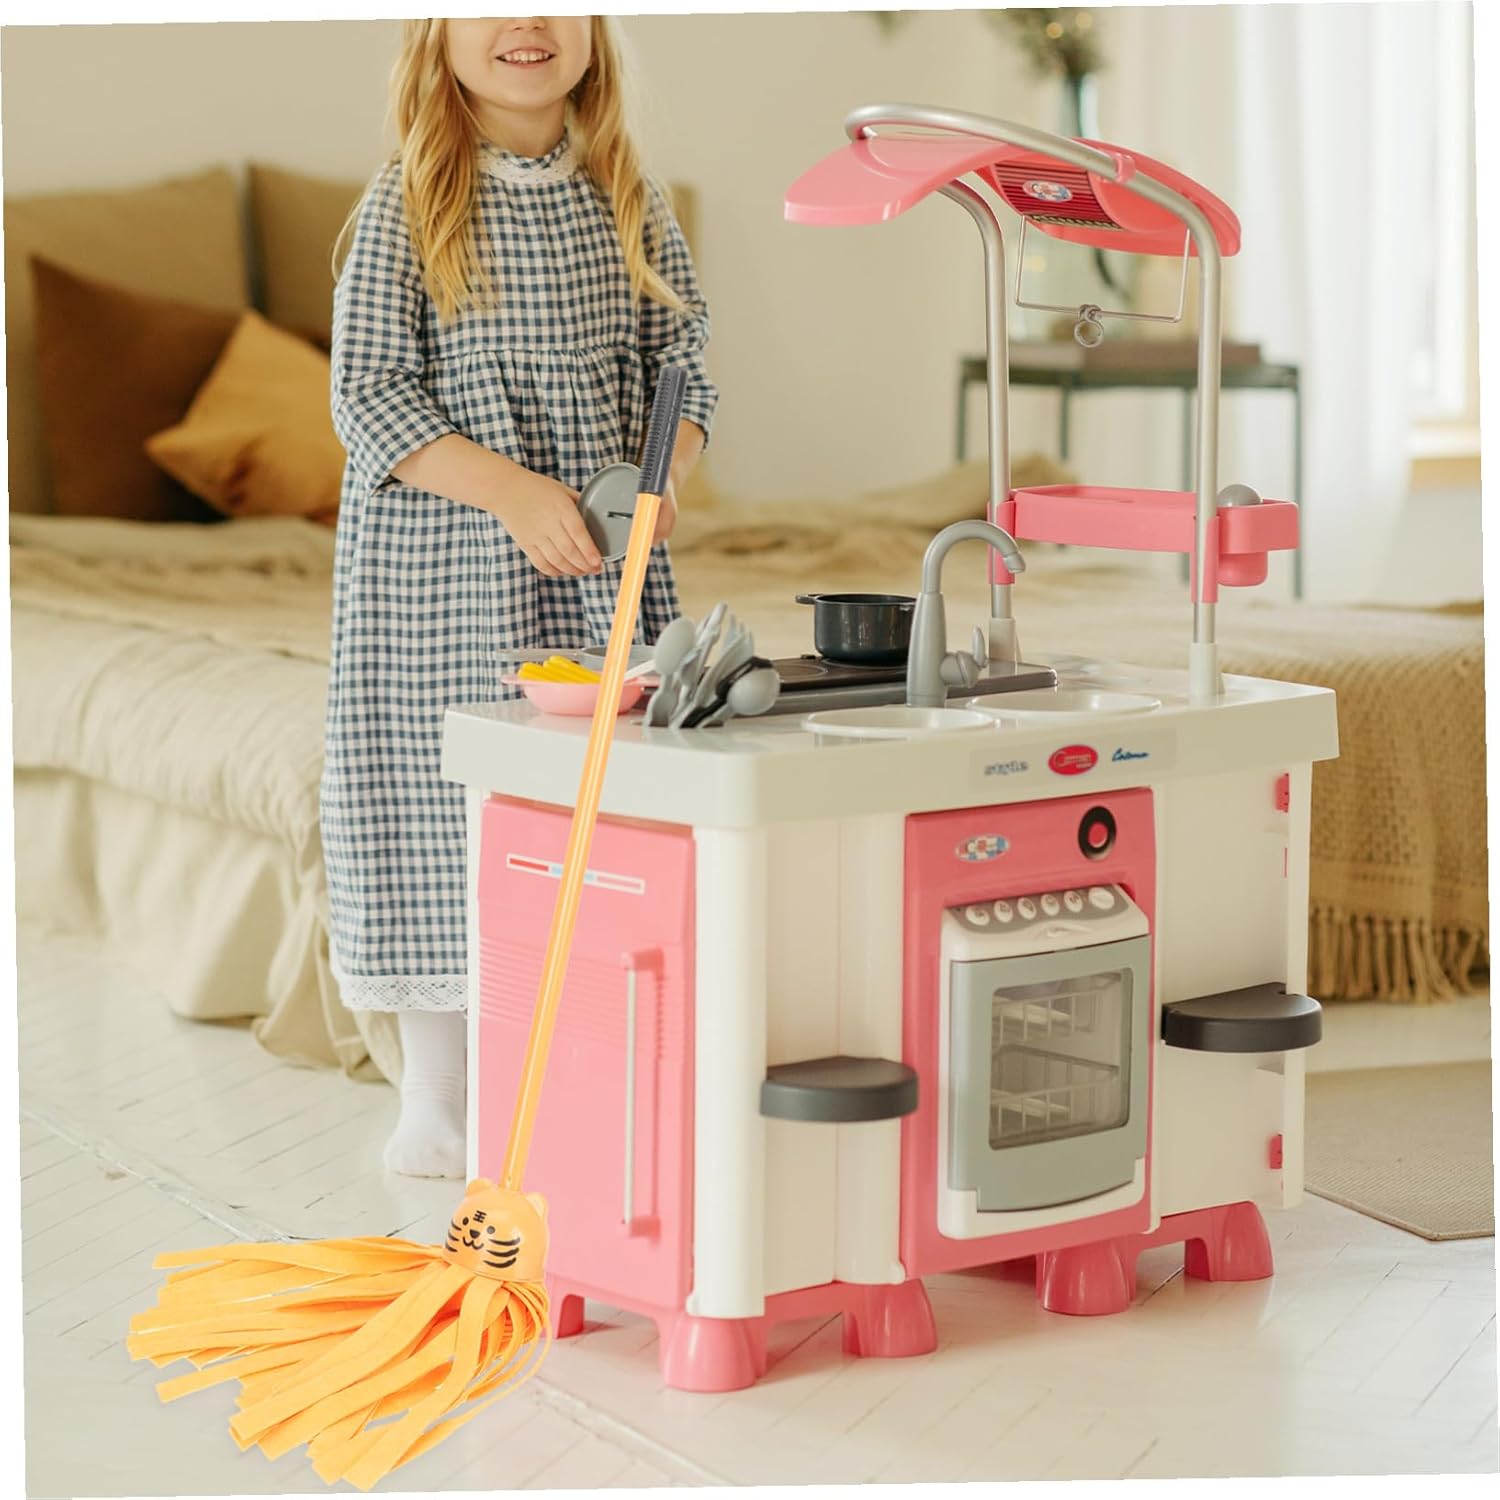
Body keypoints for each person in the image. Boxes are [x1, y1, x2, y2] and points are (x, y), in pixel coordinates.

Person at [322, 15, 717, 1176]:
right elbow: (370, 397)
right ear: (439, 38)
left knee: (596, 794)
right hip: (440, 573)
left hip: (597, 569)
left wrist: (663, 478)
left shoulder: (630, 200)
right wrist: (510, 492)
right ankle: (438, 1091)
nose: (526, 23)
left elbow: (684, 366)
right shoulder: (404, 202)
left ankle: (580, 1060)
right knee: (441, 802)